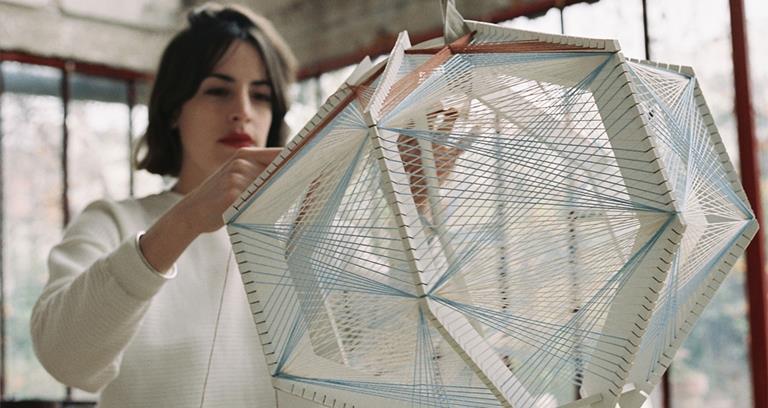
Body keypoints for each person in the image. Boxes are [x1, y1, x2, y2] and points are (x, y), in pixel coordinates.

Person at [30, 4, 320, 407]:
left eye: (260, 95)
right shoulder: (113, 222)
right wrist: (184, 221)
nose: (243, 111)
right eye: (217, 90)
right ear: (171, 111)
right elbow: (66, 358)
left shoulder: (307, 234)